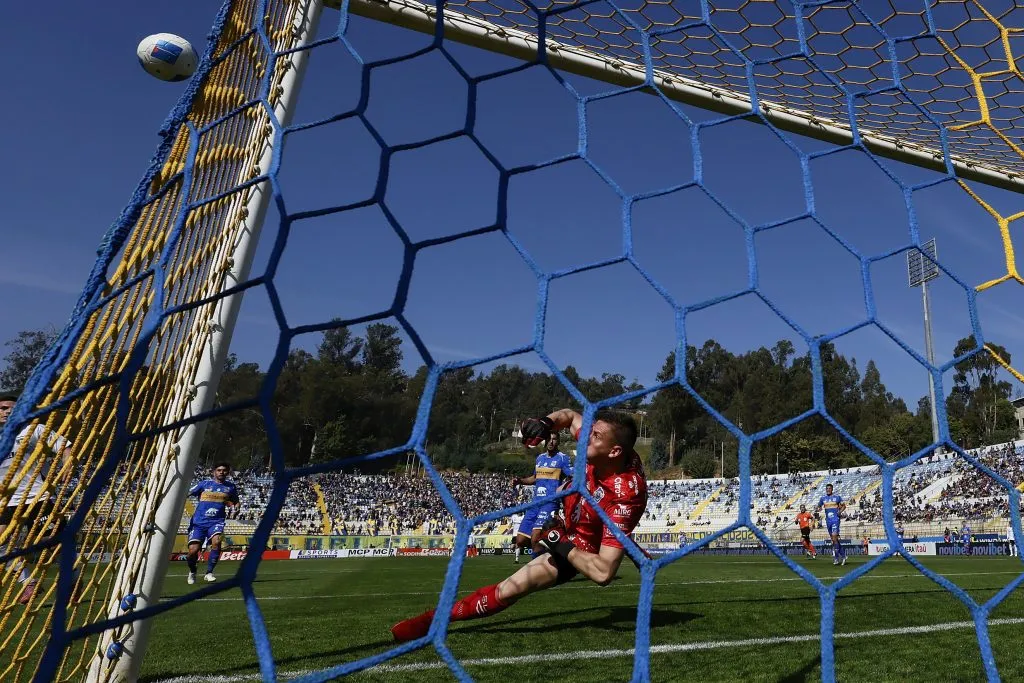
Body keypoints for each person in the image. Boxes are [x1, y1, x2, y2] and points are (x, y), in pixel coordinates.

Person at [390, 408, 648, 642]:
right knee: (565, 489)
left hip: (582, 544)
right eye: (589, 432)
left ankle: (621, 542)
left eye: (595, 436)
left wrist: (559, 542)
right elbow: (569, 415)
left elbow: (603, 574)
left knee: (509, 590)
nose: (586, 437)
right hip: (576, 502)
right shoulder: (601, 447)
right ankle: (431, 619)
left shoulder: (626, 495)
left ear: (614, 452)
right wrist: (546, 422)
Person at [0, 388, 74, 604]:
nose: (4, 412)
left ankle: (73, 581)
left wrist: (67, 463)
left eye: (8, 409)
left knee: (54, 546)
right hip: (6, 502)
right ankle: (29, 584)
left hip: (36, 497)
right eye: (1, 409)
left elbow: (65, 446)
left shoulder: (34, 430)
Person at [511, 432, 572, 563]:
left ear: (558, 442)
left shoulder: (563, 458)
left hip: (550, 503)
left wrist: (563, 488)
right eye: (548, 439)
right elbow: (534, 478)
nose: (551, 442)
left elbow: (572, 476)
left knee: (535, 538)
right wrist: (519, 480)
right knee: (520, 540)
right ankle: (553, 551)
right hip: (535, 503)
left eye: (554, 439)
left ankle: (538, 567)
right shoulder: (539, 458)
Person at [185, 463, 239, 584]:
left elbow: (235, 501)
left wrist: (236, 508)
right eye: (219, 470)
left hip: (217, 521)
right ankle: (193, 571)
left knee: (217, 542)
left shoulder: (230, 487)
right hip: (198, 522)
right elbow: (188, 493)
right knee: (193, 551)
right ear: (214, 472)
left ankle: (209, 572)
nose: (221, 472)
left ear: (227, 472)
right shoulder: (204, 484)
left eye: (224, 470)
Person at [816, 483, 846, 566]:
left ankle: (836, 558)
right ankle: (843, 556)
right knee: (834, 540)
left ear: (832, 489)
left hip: (835, 520)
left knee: (834, 537)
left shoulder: (837, 497)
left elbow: (844, 506)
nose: (828, 490)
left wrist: (839, 512)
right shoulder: (823, 498)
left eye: (829, 488)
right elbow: (818, 507)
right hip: (828, 521)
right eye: (827, 488)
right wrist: (818, 508)